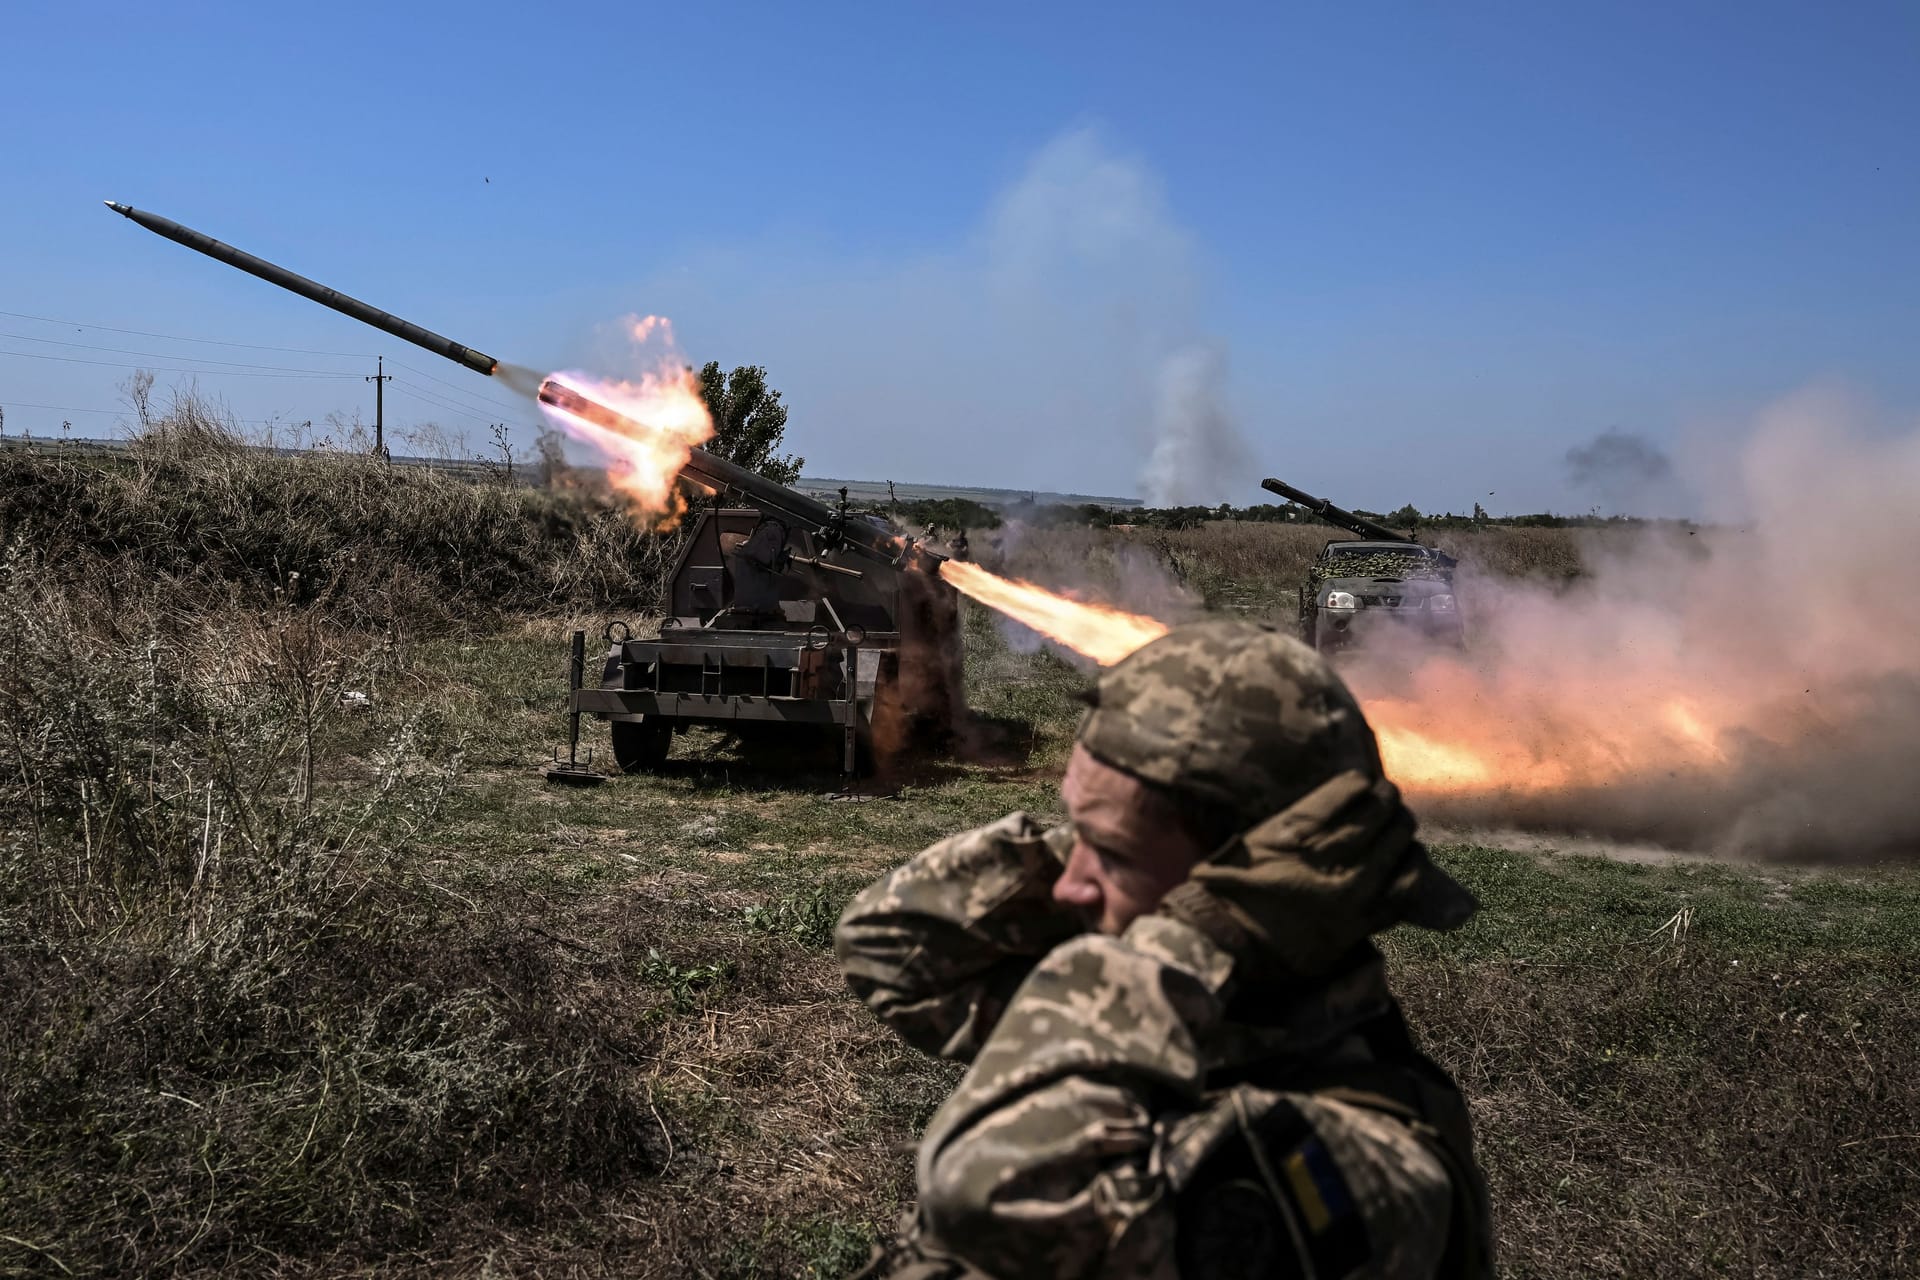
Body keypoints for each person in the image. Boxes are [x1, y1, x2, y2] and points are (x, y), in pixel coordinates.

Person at [836, 620, 1493, 1279]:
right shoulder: (1187, 1022)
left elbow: (982, 1194)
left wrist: (1198, 932)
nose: (1066, 885)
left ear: (1250, 883)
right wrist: (1102, 835)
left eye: (1112, 855)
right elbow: (888, 948)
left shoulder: (1361, 1164)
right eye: (1073, 835)